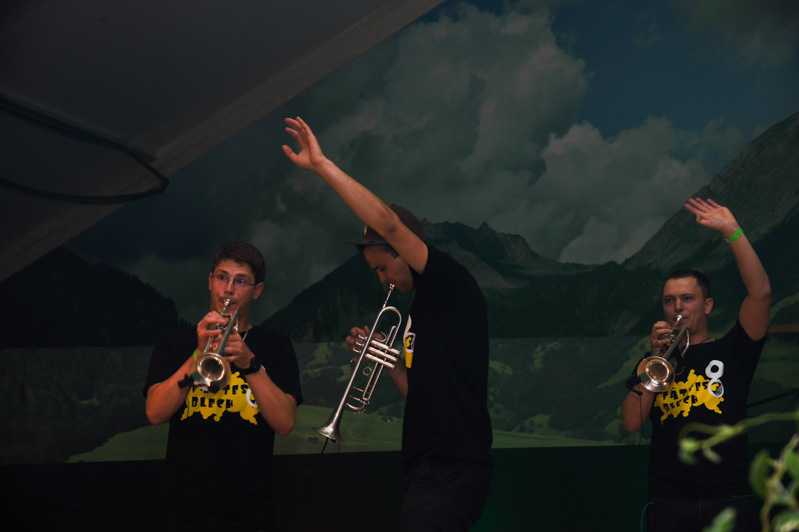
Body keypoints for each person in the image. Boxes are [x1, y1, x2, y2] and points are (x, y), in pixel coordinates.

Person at [283, 116, 493, 531]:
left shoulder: (449, 281)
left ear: (402, 251)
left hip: (452, 467)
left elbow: (387, 223)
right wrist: (388, 361)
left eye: (382, 267)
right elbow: (422, 394)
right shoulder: (421, 309)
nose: (383, 279)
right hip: (427, 467)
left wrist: (322, 165)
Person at [621, 198, 771, 532]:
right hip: (668, 500)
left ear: (707, 305)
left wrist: (733, 232)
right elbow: (631, 423)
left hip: (729, 498)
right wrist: (654, 360)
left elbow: (760, 293)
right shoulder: (654, 361)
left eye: (687, 299)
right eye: (669, 300)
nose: (678, 307)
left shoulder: (733, 349)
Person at [143, 241, 303, 531]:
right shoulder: (175, 344)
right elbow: (155, 412)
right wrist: (197, 355)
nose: (228, 289)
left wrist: (250, 363)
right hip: (182, 508)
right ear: (210, 281)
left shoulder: (276, 348)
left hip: (250, 510)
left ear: (257, 290)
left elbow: (285, 423)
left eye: (240, 281)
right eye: (222, 277)